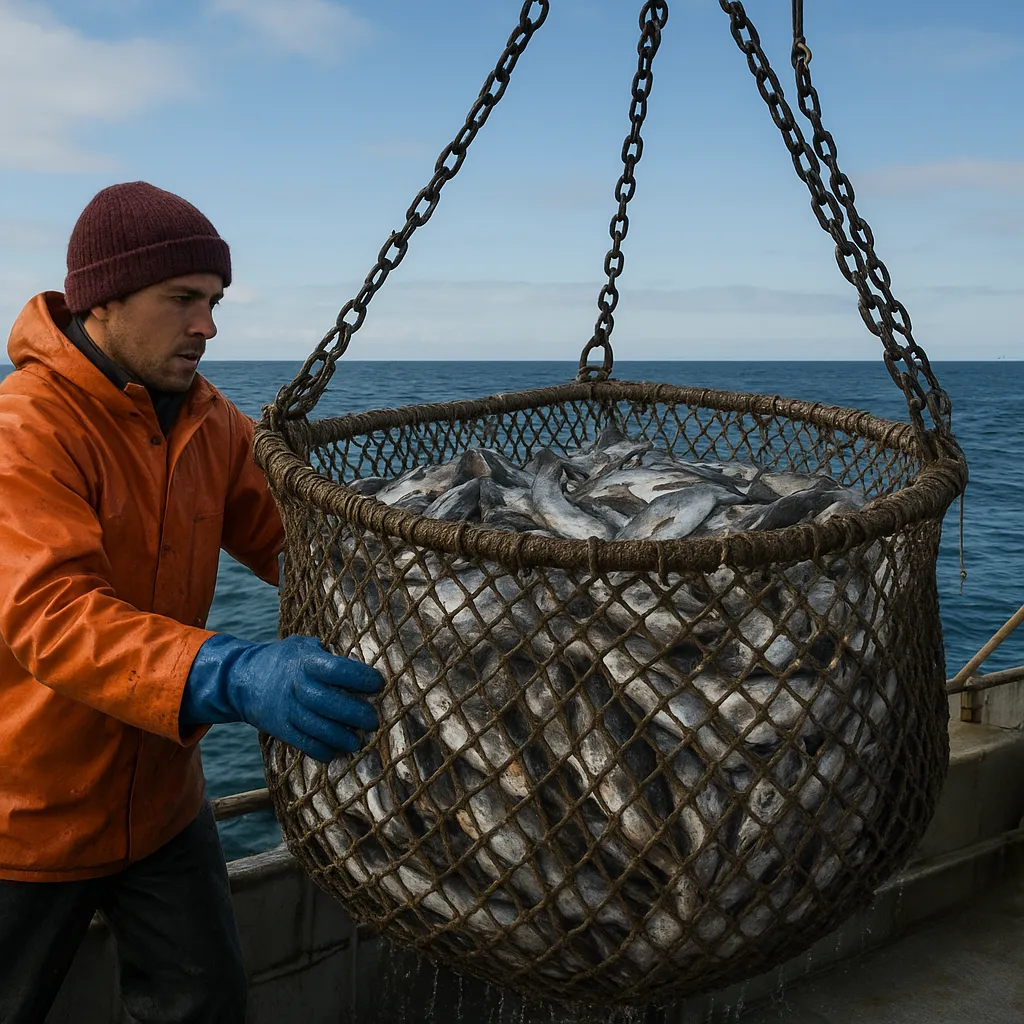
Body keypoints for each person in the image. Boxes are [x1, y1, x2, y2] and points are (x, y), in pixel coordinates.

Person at [0, 182, 383, 1024]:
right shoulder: (26, 428)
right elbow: (52, 616)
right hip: (25, 820)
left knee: (206, 1007)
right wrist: (234, 671)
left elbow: (299, 545)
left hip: (166, 809)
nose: (207, 326)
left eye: (213, 301)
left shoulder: (213, 425)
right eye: (183, 300)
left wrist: (418, 597)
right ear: (103, 299)